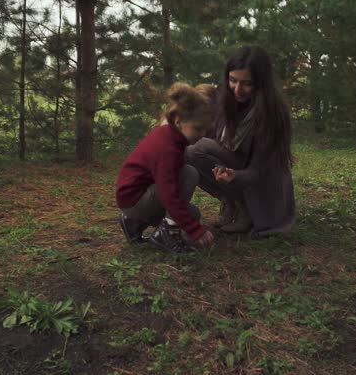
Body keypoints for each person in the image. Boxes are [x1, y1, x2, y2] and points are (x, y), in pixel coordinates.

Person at [186, 46, 296, 237]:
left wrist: (234, 175)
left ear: (261, 83)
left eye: (247, 84)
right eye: (232, 80)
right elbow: (210, 133)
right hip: (238, 168)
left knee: (198, 148)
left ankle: (248, 209)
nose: (237, 90)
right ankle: (234, 203)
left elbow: (259, 171)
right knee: (188, 150)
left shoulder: (272, 114)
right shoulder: (228, 100)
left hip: (263, 181)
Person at [115, 83, 216, 253]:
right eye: (198, 129)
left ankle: (133, 222)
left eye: (205, 129)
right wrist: (195, 230)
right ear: (179, 122)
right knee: (189, 174)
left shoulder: (172, 136)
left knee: (193, 214)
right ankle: (166, 232)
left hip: (141, 197)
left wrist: (191, 224)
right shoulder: (167, 148)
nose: (202, 134)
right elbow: (168, 194)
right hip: (135, 199)